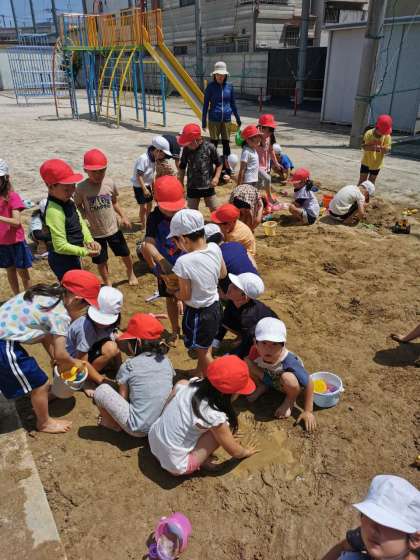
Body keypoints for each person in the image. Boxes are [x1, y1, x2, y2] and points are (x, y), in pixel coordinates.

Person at [0, 269, 101, 434]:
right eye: (86, 304)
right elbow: (61, 354)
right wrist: (74, 363)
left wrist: (55, 357)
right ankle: (44, 423)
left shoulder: (48, 293)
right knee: (41, 384)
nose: (85, 309)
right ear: (77, 300)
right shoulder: (61, 316)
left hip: (4, 334)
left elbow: (45, 336)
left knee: (34, 380)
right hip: (3, 345)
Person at [148, 355, 259, 476]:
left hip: (153, 439)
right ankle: (202, 461)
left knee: (182, 383)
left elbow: (177, 393)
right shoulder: (214, 415)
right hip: (175, 466)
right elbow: (235, 452)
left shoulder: (192, 384)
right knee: (217, 434)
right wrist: (246, 452)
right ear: (229, 394)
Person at [93, 313, 175, 436]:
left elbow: (123, 399)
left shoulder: (129, 365)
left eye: (129, 341)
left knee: (102, 391)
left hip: (137, 428)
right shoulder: (166, 361)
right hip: (159, 426)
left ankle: (112, 424)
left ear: (138, 343)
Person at [169, 209, 227, 376]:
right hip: (215, 306)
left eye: (175, 240)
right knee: (206, 346)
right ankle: (199, 373)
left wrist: (174, 292)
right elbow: (223, 274)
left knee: (203, 353)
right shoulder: (215, 247)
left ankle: (217, 381)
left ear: (184, 239)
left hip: (199, 313)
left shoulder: (183, 262)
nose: (175, 245)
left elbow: (185, 295)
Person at [75, 149, 137, 286]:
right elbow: (77, 205)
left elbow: (114, 202)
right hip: (95, 232)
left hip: (113, 228)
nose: (98, 175)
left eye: (102, 171)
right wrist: (84, 217)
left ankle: (130, 272)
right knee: (101, 260)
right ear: (85, 170)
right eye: (94, 171)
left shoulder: (109, 183)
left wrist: (123, 216)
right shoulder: (81, 188)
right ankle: (107, 281)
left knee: (125, 253)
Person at [321, 474, 420, 560]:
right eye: (369, 515)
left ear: (415, 540)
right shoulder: (367, 537)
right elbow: (344, 546)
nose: (373, 528)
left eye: (385, 523)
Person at [246, 317, 316, 432]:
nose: (268, 349)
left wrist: (308, 411)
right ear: (255, 343)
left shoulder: (289, 361)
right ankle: (262, 386)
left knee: (288, 378)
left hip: (286, 385)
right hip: (270, 377)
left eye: (274, 344)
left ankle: (290, 400)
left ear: (283, 345)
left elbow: (309, 382)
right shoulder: (254, 351)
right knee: (247, 362)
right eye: (264, 343)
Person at [139, 176, 186, 345]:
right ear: (157, 201)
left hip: (186, 266)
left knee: (188, 299)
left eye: (175, 208)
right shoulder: (154, 217)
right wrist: (162, 261)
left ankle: (188, 330)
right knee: (170, 298)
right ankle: (175, 330)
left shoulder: (185, 214)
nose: (172, 212)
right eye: (168, 209)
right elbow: (148, 243)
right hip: (165, 269)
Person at [40, 159, 100, 281]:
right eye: (66, 189)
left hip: (73, 253)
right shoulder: (54, 211)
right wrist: (85, 251)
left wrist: (89, 240)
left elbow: (79, 220)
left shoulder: (67, 200)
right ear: (50, 186)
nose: (71, 191)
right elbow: (60, 246)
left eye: (73, 186)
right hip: (62, 260)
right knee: (72, 286)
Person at [216, 272, 277, 358]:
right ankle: (241, 338)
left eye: (235, 287)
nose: (229, 287)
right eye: (232, 283)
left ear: (244, 297)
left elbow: (246, 345)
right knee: (225, 318)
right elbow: (224, 321)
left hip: (266, 336)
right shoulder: (233, 301)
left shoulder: (248, 317)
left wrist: (229, 356)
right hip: (250, 328)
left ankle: (243, 340)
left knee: (247, 347)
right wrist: (215, 342)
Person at [66, 286, 122, 379]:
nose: (101, 323)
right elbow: (81, 360)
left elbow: (115, 336)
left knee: (118, 339)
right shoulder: (85, 328)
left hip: (92, 345)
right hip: (74, 358)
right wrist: (100, 380)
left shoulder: (113, 322)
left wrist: (121, 370)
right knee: (111, 348)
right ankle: (87, 377)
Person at [0, 159, 32, 295]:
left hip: (16, 242)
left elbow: (16, 222)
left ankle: (29, 297)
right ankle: (16, 297)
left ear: (5, 178)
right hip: (2, 243)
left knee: (22, 272)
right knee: (10, 270)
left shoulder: (13, 196)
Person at [202, 61, 241, 166]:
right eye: (218, 74)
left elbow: (233, 103)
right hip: (214, 119)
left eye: (222, 75)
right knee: (213, 143)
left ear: (225, 75)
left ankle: (226, 165)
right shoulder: (210, 87)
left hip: (227, 119)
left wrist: (237, 118)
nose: (220, 77)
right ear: (214, 75)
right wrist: (203, 122)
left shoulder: (230, 87)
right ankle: (211, 165)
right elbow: (205, 105)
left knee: (226, 143)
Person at [177, 123, 222, 211]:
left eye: (189, 143)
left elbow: (219, 163)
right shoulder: (186, 149)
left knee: (215, 209)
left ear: (198, 140)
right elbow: (182, 167)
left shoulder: (210, 147)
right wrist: (180, 184)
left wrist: (216, 177)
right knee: (191, 211)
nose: (187, 145)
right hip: (192, 186)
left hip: (208, 186)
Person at [131, 136, 172, 229]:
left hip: (147, 185)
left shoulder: (153, 159)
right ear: (157, 151)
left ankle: (148, 220)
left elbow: (152, 174)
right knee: (143, 207)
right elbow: (139, 176)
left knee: (150, 205)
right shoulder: (143, 159)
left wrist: (153, 186)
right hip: (139, 186)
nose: (163, 157)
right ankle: (143, 224)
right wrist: (144, 189)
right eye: (163, 154)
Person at [256, 114, 283, 204]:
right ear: (261, 128)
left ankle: (255, 198)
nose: (270, 133)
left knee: (259, 184)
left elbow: (271, 151)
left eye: (271, 131)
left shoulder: (270, 137)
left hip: (265, 165)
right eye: (268, 131)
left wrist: (276, 163)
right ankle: (269, 197)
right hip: (256, 165)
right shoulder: (255, 138)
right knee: (267, 179)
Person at [359, 114, 392, 186]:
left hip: (377, 164)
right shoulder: (369, 133)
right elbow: (364, 147)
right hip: (366, 161)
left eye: (384, 132)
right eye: (382, 132)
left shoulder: (387, 136)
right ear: (376, 127)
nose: (383, 134)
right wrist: (373, 145)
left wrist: (383, 148)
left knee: (371, 182)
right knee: (362, 180)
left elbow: (387, 150)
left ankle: (368, 192)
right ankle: (357, 192)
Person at [237, 125, 264, 197]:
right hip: (248, 181)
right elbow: (242, 169)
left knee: (252, 198)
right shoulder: (246, 152)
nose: (259, 138)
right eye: (256, 137)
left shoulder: (253, 149)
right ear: (248, 140)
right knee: (247, 198)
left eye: (259, 136)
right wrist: (238, 186)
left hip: (254, 179)